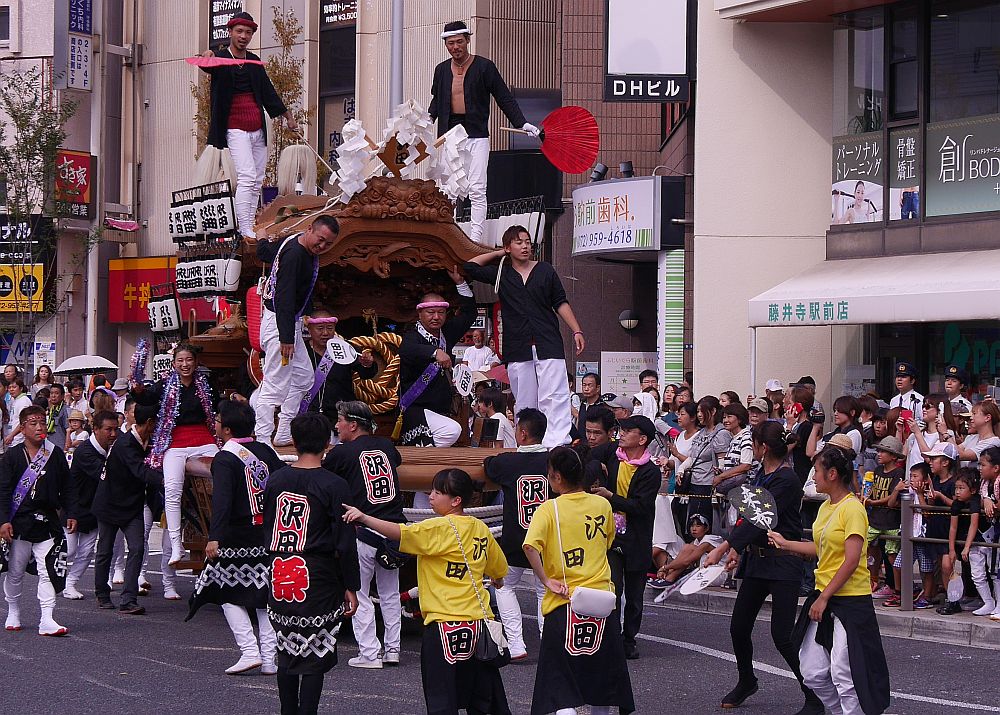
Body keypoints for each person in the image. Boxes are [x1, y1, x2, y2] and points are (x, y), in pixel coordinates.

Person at [343, 468, 511, 715]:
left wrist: (364, 518)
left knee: (442, 699)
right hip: (478, 624)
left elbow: (399, 532)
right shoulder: (480, 528)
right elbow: (499, 569)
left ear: (455, 500)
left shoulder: (437, 527)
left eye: (438, 492)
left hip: (443, 625)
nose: (430, 496)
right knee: (483, 698)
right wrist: (497, 579)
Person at [704, 421, 824, 715]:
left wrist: (723, 547)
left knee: (782, 635)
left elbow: (761, 519)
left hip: (783, 561)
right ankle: (747, 680)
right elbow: (748, 517)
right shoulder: (761, 474)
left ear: (764, 447)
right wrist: (737, 549)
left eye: (754, 443)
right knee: (739, 627)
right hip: (757, 560)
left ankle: (813, 694)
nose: (752, 448)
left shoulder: (787, 479)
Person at [769, 444, 890, 715]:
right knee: (811, 671)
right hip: (824, 594)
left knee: (844, 673)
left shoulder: (853, 509)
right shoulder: (825, 507)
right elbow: (820, 547)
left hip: (850, 600)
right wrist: (785, 543)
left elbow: (851, 559)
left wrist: (823, 597)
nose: (813, 476)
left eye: (816, 471)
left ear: (832, 474)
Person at [522, 446, 635, 715]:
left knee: (561, 686)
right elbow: (608, 541)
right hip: (601, 601)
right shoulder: (602, 504)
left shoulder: (549, 509)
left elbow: (529, 546)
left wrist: (546, 579)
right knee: (603, 680)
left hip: (564, 600)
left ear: (557, 477)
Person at [264, 412, 360, 715]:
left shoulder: (276, 479)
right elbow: (345, 540)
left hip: (281, 570)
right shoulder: (334, 484)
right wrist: (351, 585)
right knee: (314, 651)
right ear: (327, 444)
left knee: (286, 648)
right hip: (317, 574)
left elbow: (267, 527)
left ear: (294, 441)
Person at [187, 400, 284, 675]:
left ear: (227, 429)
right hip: (266, 533)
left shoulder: (226, 458)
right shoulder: (265, 451)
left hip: (236, 535)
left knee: (225, 590)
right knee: (264, 595)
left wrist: (214, 536)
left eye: (218, 420)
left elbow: (222, 502)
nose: (216, 424)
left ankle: (249, 650)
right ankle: (269, 658)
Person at [465, 225, 584, 448]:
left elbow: (560, 301)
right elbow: (470, 266)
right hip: (518, 345)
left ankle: (556, 443)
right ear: (508, 247)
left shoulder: (545, 270)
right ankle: (529, 443)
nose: (525, 246)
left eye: (528, 242)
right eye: (519, 242)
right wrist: (499, 253)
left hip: (547, 340)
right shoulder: (502, 273)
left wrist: (576, 330)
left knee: (554, 394)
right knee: (525, 398)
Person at [428, 20, 538, 245]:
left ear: (468, 40)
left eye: (459, 42)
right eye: (450, 43)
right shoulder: (441, 70)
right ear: (445, 45)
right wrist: (426, 120)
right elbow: (436, 101)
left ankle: (475, 238)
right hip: (450, 136)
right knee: (449, 189)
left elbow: (504, 97)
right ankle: (448, 235)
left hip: (477, 135)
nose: (455, 47)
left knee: (477, 188)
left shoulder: (484, 67)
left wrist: (522, 123)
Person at [198, 11, 300, 239]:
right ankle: (243, 226)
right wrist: (207, 55)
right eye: (239, 31)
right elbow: (206, 64)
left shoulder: (253, 62)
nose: (243, 36)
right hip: (235, 127)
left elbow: (268, 92)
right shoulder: (220, 58)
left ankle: (250, 223)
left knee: (257, 180)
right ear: (230, 32)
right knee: (246, 176)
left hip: (257, 127)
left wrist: (288, 116)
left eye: (248, 32)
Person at [321, 401, 405, 670]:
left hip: (363, 530)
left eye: (340, 420)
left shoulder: (341, 454)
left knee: (360, 592)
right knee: (390, 593)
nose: (337, 426)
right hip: (393, 531)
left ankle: (370, 653)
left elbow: (325, 477)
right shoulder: (387, 446)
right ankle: (393, 649)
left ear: (353, 425)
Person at [254, 217, 339, 447]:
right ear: (309, 229)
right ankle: (263, 439)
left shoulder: (292, 241)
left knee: (303, 377)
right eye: (320, 239)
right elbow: (284, 299)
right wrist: (286, 338)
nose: (322, 246)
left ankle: (283, 431)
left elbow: (265, 253)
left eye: (328, 244)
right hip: (279, 324)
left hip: (289, 322)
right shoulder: (295, 255)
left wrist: (261, 238)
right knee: (274, 384)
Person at [0, 405, 77, 635]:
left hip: (48, 521)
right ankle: (13, 611)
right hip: (19, 522)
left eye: (42, 422)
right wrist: (3, 521)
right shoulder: (12, 456)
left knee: (47, 570)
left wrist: (71, 512)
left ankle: (47, 618)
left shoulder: (55, 454)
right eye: (33, 423)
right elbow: (3, 490)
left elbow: (68, 486)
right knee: (16, 571)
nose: (39, 427)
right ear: (22, 428)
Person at [141, 344, 220, 565]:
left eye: (189, 360)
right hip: (175, 442)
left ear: (195, 362)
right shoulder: (165, 384)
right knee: (172, 489)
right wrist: (136, 389)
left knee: (224, 475)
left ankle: (219, 533)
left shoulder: (205, 383)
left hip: (204, 439)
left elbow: (218, 405)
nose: (185, 364)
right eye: (180, 360)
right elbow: (145, 399)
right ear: (174, 363)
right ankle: (176, 544)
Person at [590, 415, 659, 660]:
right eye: (622, 429)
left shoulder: (650, 471)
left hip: (637, 538)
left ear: (642, 439)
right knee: (612, 588)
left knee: (635, 596)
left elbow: (640, 506)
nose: (623, 434)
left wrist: (611, 496)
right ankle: (610, 637)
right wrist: (597, 468)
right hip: (611, 536)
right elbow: (589, 454)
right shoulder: (613, 455)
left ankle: (629, 638)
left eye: (629, 431)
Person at [483, 408, 550, 660]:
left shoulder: (507, 462)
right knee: (545, 589)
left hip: (516, 539)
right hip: (546, 540)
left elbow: (488, 465)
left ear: (522, 434)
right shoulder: (554, 460)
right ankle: (548, 642)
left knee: (505, 586)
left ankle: (516, 644)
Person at [92, 393, 164, 615]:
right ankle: (102, 594)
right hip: (109, 503)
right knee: (105, 550)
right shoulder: (125, 444)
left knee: (137, 548)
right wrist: (168, 479)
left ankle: (128, 599)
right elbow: (141, 471)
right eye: (158, 422)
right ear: (149, 423)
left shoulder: (151, 442)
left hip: (132, 505)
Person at [397, 267, 477, 448]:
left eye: (440, 312)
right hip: (416, 409)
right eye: (430, 312)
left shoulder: (446, 333)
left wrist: (460, 283)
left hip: (442, 410)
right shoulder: (411, 336)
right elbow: (406, 350)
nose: (436, 317)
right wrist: (434, 352)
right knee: (452, 431)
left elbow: (469, 314)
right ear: (420, 314)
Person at [62, 410, 119, 601]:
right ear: (95, 429)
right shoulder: (85, 451)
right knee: (68, 550)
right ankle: (50, 579)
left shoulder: (112, 449)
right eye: (108, 429)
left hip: (95, 509)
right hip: (74, 507)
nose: (113, 434)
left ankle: (70, 584)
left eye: (115, 429)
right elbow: (105, 474)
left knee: (86, 552)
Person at [301, 309, 376, 430]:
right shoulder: (300, 351)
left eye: (330, 328)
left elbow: (367, 374)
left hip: (341, 416)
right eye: (320, 328)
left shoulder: (346, 348)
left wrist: (367, 364)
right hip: (309, 416)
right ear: (309, 329)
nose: (325, 333)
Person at [883, 462, 936, 609]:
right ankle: (906, 591)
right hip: (908, 535)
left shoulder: (929, 493)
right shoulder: (907, 491)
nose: (912, 479)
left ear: (925, 479)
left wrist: (920, 494)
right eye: (910, 476)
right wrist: (896, 489)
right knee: (898, 565)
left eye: (915, 476)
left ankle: (927, 596)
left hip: (922, 536)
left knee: (926, 569)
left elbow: (927, 513)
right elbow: (891, 504)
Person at [936, 468, 989, 616]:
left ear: (973, 490)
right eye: (956, 488)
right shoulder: (956, 504)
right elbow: (952, 527)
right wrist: (952, 549)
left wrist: (967, 547)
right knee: (961, 567)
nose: (957, 492)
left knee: (979, 571)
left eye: (961, 488)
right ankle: (959, 598)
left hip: (978, 541)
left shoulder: (975, 501)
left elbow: (974, 524)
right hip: (960, 539)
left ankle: (984, 599)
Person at [679, 396, 732, 531]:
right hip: (694, 482)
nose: (699, 415)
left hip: (708, 485)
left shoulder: (721, 433)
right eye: (697, 411)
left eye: (701, 411)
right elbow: (693, 457)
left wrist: (719, 478)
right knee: (692, 524)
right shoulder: (701, 432)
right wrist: (681, 469)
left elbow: (722, 462)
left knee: (704, 524)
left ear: (713, 411)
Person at [863, 436, 905, 598]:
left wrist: (873, 502)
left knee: (892, 554)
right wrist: (865, 496)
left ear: (893, 456)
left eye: (883, 451)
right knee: (865, 546)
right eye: (879, 451)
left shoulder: (898, 473)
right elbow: (871, 490)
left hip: (891, 521)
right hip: (875, 519)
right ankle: (872, 579)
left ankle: (897, 589)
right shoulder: (877, 471)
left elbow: (892, 497)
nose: (879, 454)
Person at [658, 514, 725, 586]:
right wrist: (667, 570)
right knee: (687, 548)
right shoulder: (696, 541)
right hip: (703, 572)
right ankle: (668, 577)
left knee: (688, 553)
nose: (694, 529)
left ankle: (669, 578)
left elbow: (686, 561)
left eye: (698, 526)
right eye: (692, 526)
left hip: (716, 574)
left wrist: (665, 568)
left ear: (706, 528)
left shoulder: (709, 540)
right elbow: (682, 558)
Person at [954, 401, 1000, 467]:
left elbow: (961, 455)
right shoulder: (971, 437)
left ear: (987, 418)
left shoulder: (993, 442)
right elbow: (952, 450)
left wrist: (946, 434)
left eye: (974, 414)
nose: (971, 417)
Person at [4, 379, 34, 446]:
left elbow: (24, 421)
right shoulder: (16, 400)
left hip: (20, 439)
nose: (11, 389)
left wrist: (12, 435)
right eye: (9, 387)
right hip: (15, 439)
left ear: (21, 388)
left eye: (14, 387)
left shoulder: (24, 401)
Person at [575, 372, 604, 438]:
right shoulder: (583, 404)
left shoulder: (602, 406)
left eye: (589, 385)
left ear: (598, 388)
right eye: (584, 385)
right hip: (581, 442)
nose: (586, 389)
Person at [45, 383, 70, 452]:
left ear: (62, 396)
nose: (53, 396)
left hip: (61, 445)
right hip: (49, 444)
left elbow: (69, 429)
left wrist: (66, 445)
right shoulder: (51, 410)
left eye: (56, 393)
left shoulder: (66, 409)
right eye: (51, 393)